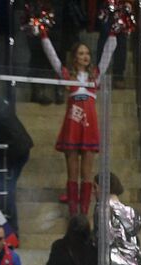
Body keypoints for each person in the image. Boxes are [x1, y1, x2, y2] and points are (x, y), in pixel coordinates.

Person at [38, 22, 121, 215]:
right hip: (73, 126)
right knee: (72, 173)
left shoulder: (95, 76)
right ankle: (73, 213)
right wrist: (43, 35)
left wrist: (113, 32)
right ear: (74, 57)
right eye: (81, 53)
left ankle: (84, 213)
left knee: (87, 174)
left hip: (89, 127)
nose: (85, 56)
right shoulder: (67, 75)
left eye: (87, 54)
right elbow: (52, 57)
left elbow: (108, 54)